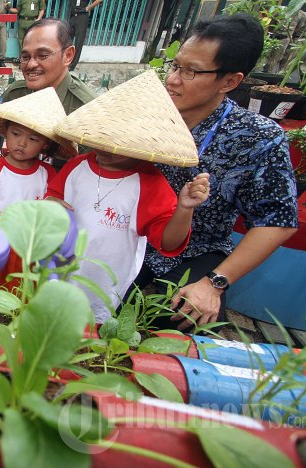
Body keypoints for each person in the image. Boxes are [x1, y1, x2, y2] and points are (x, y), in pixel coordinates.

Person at [135, 13, 298, 331]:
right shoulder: (147, 113)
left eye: (191, 71)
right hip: (132, 235)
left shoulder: (258, 137)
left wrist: (215, 282)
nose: (173, 79)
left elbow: (276, 222)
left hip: (196, 250)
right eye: (175, 66)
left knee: (186, 320)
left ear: (229, 82)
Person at [48, 70, 210, 323]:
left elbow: (167, 242)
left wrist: (185, 208)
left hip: (104, 280)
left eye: (119, 143)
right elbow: (53, 196)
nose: (106, 147)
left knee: (91, 325)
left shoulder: (149, 182)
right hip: (57, 266)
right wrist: (51, 204)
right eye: (103, 137)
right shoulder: (77, 166)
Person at [0, 19, 96, 151]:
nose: (31, 64)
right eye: (25, 57)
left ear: (68, 55)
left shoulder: (88, 110)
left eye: (42, 55)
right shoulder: (17, 93)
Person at [0, 87, 74, 226]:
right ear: (6, 132)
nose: (22, 143)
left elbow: (55, 201)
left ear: (45, 144)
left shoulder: (47, 173)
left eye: (33, 139)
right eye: (16, 134)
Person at [67, 0, 102, 72]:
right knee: (66, 40)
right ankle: (64, 61)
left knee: (79, 42)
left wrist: (89, 8)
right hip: (72, 16)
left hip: (82, 17)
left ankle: (71, 66)